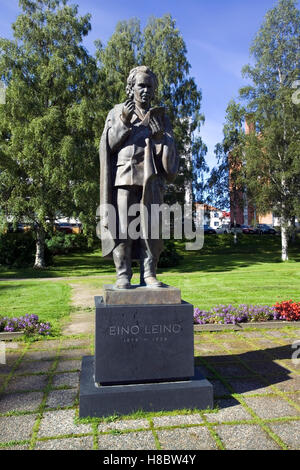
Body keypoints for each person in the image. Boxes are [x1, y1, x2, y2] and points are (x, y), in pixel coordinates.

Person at [99, 66, 178, 289]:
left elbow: (170, 159)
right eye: (141, 85)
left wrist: (161, 137)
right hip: (124, 178)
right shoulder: (117, 111)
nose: (145, 90)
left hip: (150, 181)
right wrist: (124, 120)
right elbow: (109, 145)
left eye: (149, 86)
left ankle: (148, 274)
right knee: (123, 228)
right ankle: (123, 274)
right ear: (131, 87)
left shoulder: (161, 118)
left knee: (149, 230)